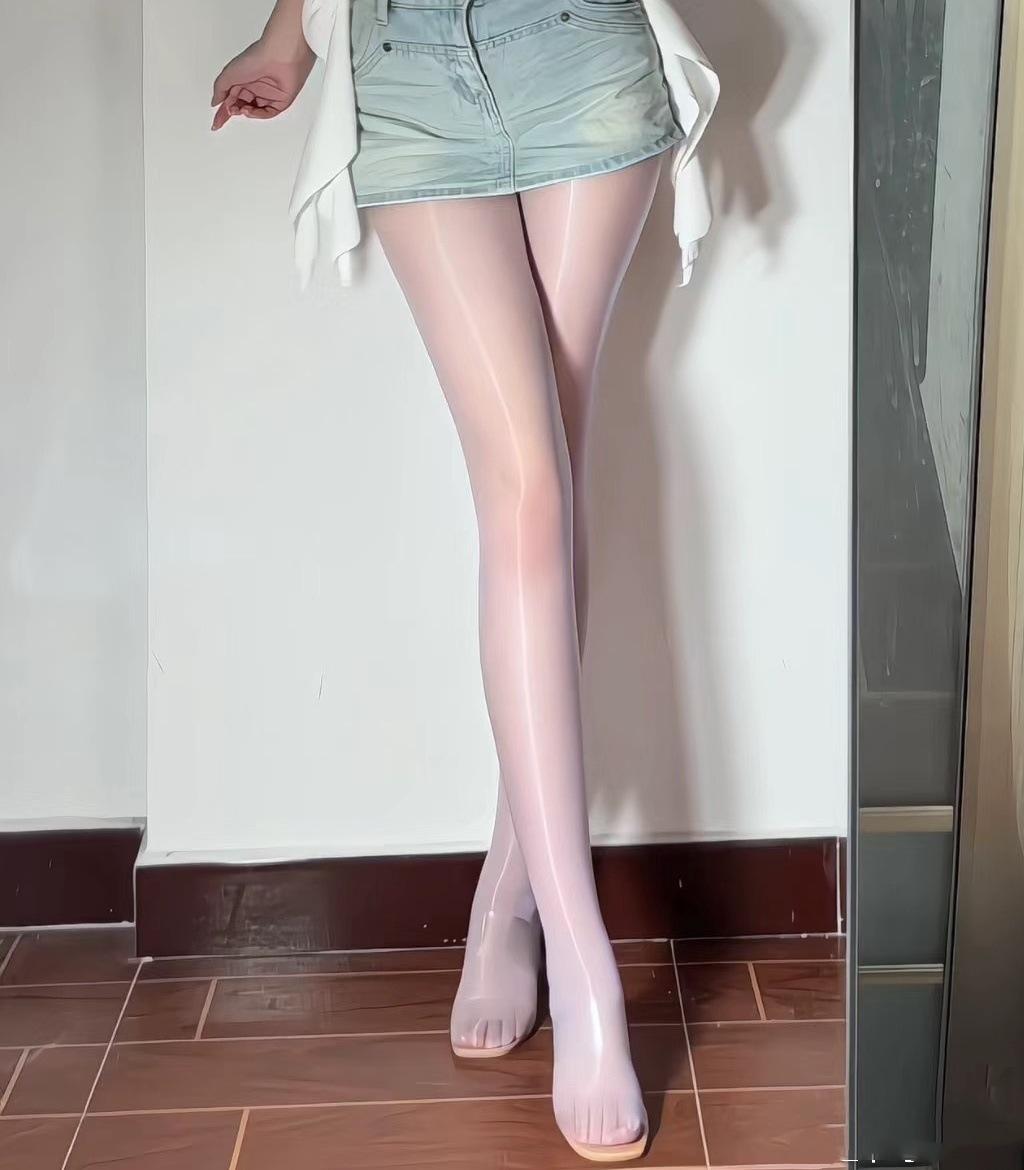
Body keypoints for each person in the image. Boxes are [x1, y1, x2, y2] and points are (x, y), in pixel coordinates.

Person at [211, 1, 715, 1159]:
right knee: (529, 489)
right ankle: (577, 953)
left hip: (578, 48)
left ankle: (520, 910)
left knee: (548, 487)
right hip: (409, 70)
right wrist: (288, 36)